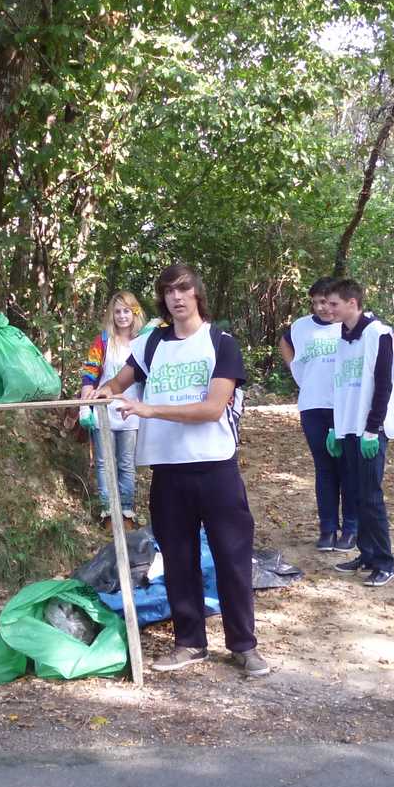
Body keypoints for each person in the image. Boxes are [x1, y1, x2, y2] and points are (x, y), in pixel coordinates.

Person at [94, 264, 269, 677]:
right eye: (169, 291)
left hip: (215, 468)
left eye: (184, 289)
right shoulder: (151, 343)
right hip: (168, 471)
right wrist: (101, 391)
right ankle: (190, 643)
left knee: (231, 557)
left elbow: (212, 409)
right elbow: (119, 382)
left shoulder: (220, 342)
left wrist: (151, 408)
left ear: (197, 294)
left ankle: (244, 645)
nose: (176, 297)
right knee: (178, 558)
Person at [280, 277, 394, 553]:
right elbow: (285, 343)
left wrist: (377, 374)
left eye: (328, 302)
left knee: (356, 477)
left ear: (344, 302)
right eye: (316, 303)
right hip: (320, 406)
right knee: (325, 468)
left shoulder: (364, 327)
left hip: (355, 409)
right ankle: (330, 529)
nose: (323, 308)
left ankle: (355, 532)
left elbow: (392, 353)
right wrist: (296, 370)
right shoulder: (309, 328)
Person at [324, 278, 394, 587]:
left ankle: (385, 561)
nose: (328, 309)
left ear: (352, 303)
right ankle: (367, 553)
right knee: (355, 494)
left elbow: (383, 384)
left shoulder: (378, 334)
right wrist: (336, 426)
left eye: (334, 304)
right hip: (348, 427)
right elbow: (341, 384)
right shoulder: (342, 337)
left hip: (370, 430)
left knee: (371, 497)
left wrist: (373, 429)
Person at [78, 291, 147, 528]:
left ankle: (126, 511)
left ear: (135, 312)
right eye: (117, 311)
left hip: (131, 412)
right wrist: (84, 407)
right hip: (103, 411)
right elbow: (90, 375)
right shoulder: (103, 341)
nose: (122, 316)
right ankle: (108, 512)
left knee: (126, 463)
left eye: (126, 310)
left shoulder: (143, 342)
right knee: (104, 462)